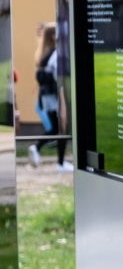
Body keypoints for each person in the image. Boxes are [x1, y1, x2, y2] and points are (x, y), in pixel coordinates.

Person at [28, 23, 72, 171]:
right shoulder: (55, 53)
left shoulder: (44, 52)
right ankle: (60, 163)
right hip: (55, 96)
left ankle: (37, 147)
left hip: (47, 97)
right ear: (54, 36)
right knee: (61, 128)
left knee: (55, 128)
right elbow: (56, 75)